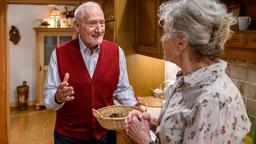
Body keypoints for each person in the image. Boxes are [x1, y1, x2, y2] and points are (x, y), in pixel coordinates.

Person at [124, 0, 251, 143]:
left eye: (165, 32)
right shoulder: (186, 79)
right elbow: (180, 131)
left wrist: (144, 139)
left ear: (181, 43)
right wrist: (152, 123)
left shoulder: (212, 100)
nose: (161, 39)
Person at [44, 1, 137, 144]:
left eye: (102, 23)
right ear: (77, 26)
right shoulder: (59, 53)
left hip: (105, 134)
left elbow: (123, 89)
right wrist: (57, 97)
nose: (99, 29)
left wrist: (134, 108)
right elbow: (48, 100)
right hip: (68, 137)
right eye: (92, 23)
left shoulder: (117, 52)